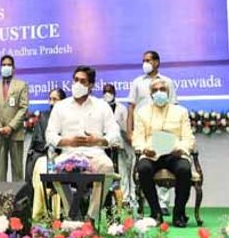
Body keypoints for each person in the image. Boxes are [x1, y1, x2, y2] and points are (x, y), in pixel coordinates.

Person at [45, 66, 120, 221]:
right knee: (54, 171)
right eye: (76, 80)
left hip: (95, 154)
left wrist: (99, 140)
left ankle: (91, 217)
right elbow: (49, 134)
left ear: (91, 85)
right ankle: (73, 215)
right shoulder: (61, 106)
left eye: (83, 81)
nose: (78, 84)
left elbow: (115, 133)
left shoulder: (102, 106)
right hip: (68, 155)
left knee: (107, 167)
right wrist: (66, 141)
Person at [132, 79, 195, 227]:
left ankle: (179, 214)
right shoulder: (142, 112)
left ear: (168, 92)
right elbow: (138, 138)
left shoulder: (181, 111)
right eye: (155, 90)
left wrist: (182, 149)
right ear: (151, 94)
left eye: (162, 89)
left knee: (184, 169)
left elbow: (188, 138)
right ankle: (156, 212)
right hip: (151, 153)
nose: (159, 92)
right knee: (143, 168)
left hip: (175, 153)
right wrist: (143, 149)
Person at [0, 55, 29, 181]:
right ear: (0, 68)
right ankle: (1, 198)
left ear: (14, 69)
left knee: (17, 170)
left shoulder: (21, 85)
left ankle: (19, 199)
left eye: (9, 65)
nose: (6, 67)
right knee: (0, 171)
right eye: (3, 65)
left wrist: (10, 127)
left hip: (15, 133)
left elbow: (23, 108)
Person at [27, 88, 67, 220]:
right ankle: (41, 212)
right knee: (41, 167)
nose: (51, 102)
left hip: (66, 155)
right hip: (46, 155)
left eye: (55, 99)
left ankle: (61, 212)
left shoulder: (69, 117)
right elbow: (37, 141)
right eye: (50, 99)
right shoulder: (43, 117)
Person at [103, 83, 134, 209]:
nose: (107, 94)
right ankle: (106, 202)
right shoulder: (100, 107)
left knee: (122, 173)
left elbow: (126, 129)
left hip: (120, 146)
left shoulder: (122, 109)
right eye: (105, 91)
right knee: (106, 174)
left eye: (109, 91)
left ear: (115, 93)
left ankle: (125, 199)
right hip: (104, 147)